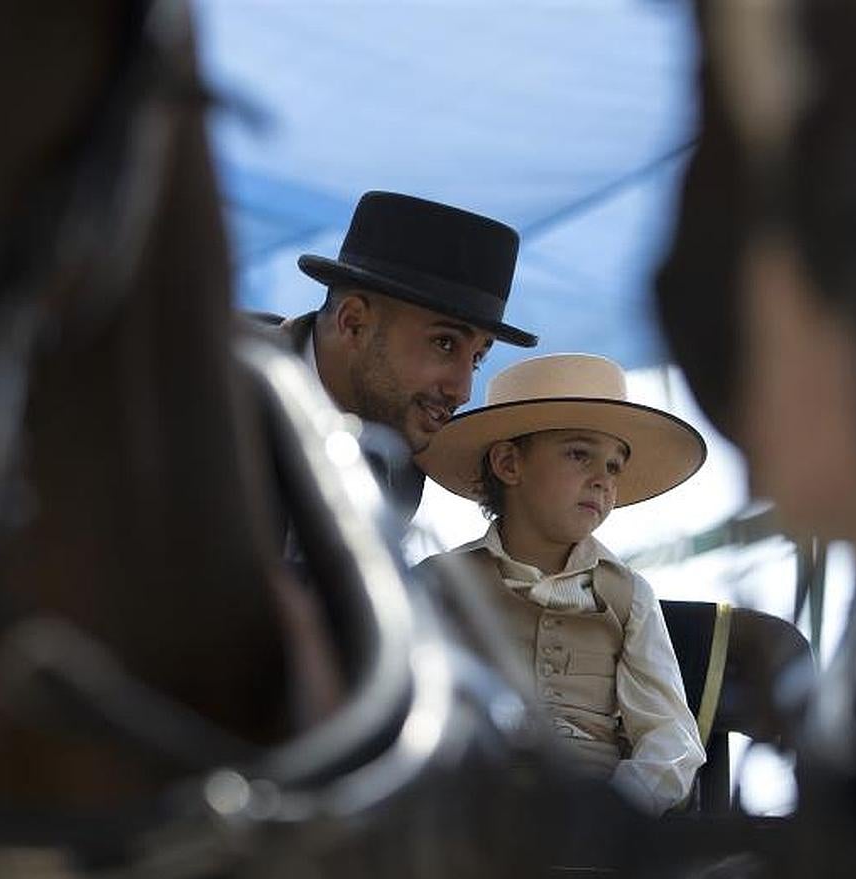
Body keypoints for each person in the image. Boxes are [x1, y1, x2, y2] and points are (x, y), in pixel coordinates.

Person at [415, 353, 708, 816]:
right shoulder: (441, 584)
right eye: (579, 454)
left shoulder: (629, 596)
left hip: (590, 829)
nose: (602, 480)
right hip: (469, 816)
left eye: (614, 466)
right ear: (509, 464)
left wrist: (617, 810)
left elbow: (669, 738)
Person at [255, 190, 538, 521]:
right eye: (444, 343)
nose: (462, 392)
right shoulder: (207, 383)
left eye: (477, 359)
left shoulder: (398, 470)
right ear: (354, 322)